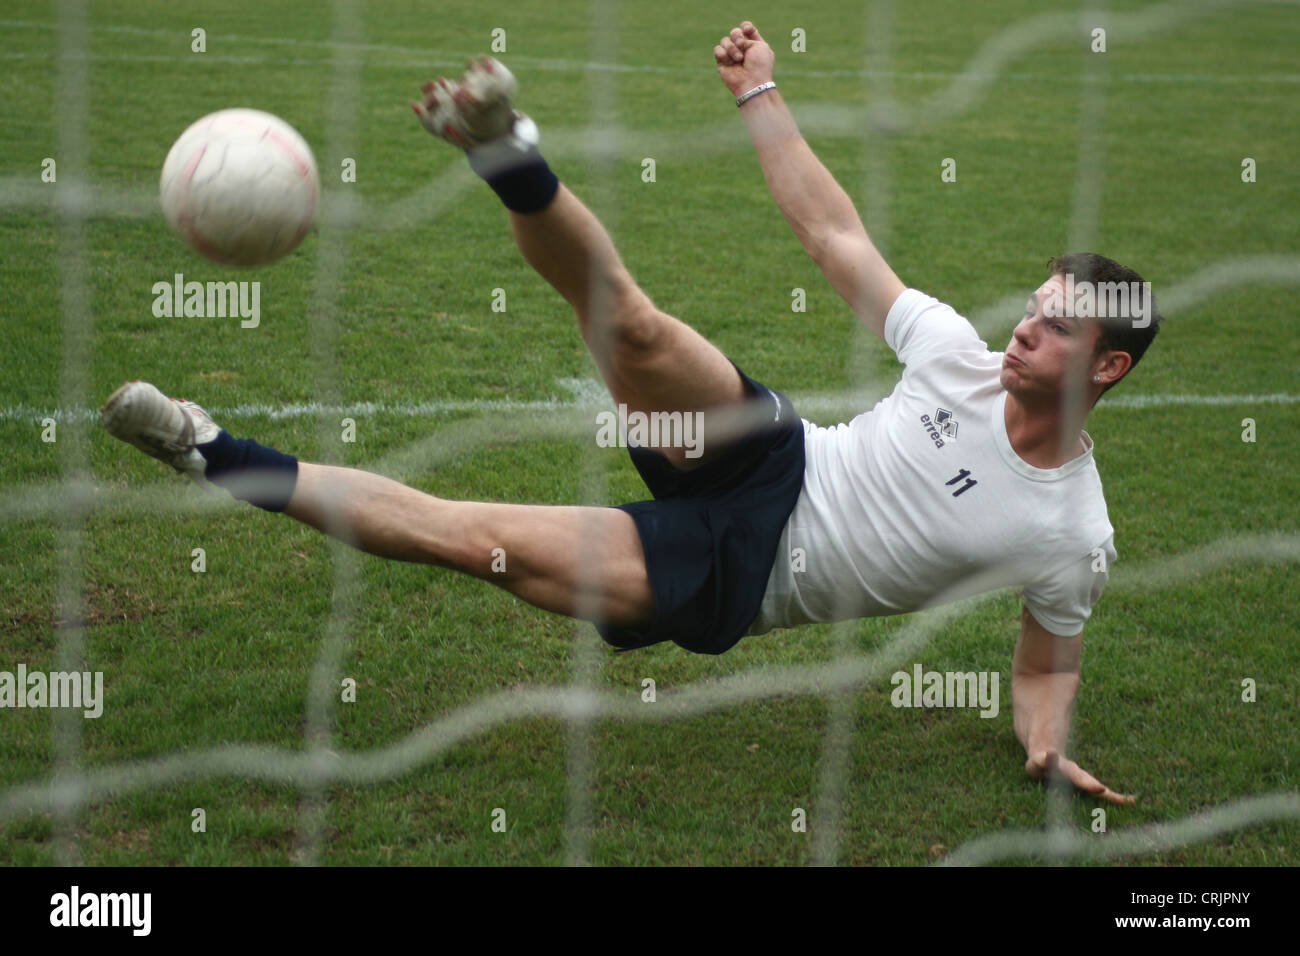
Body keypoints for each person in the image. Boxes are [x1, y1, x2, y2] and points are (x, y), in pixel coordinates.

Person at [103, 22, 1157, 804]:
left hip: (735, 571)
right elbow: (833, 235)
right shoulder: (953, 358)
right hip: (777, 453)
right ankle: (503, 146)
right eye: (1032, 308)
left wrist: (1041, 740)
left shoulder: (1070, 530)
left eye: (1055, 329)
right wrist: (760, 91)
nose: (1022, 330)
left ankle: (206, 447)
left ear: (1105, 365)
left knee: (470, 537)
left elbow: (1043, 661)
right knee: (637, 330)